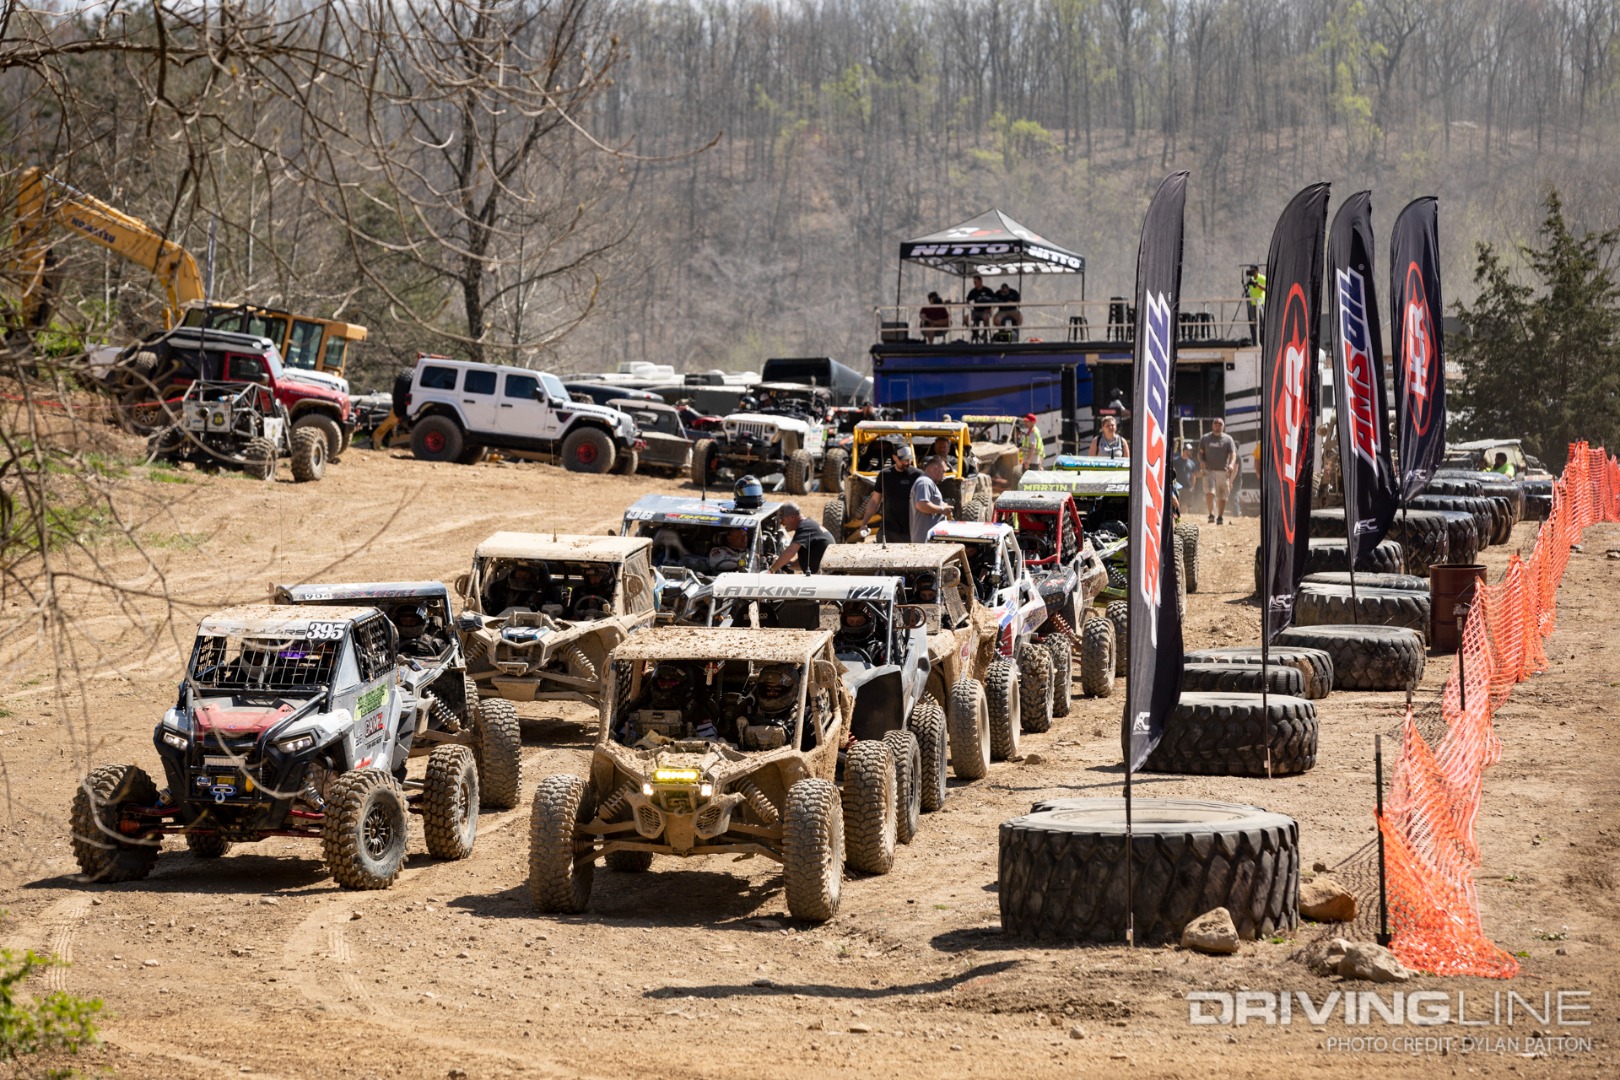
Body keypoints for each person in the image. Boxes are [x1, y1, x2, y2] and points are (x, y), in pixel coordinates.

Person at [770, 502, 833, 574]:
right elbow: (805, 562)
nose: (781, 523)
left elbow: (790, 552)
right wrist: (786, 564)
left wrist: (771, 570)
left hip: (824, 573)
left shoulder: (804, 528)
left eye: (782, 519)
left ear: (792, 517)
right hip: (826, 570)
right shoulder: (808, 525)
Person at [1198, 417, 1240, 525]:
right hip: (1209, 470)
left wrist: (1231, 464)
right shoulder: (1206, 438)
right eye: (1215, 424)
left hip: (1223, 470)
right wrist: (1201, 461)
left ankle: (1220, 516)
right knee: (1209, 492)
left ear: (1223, 426)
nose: (1217, 426)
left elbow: (1233, 454)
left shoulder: (1228, 439)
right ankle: (1211, 514)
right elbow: (1200, 453)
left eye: (1220, 424)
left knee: (1222, 496)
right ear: (1212, 426)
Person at [910, 454, 953, 543]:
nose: (944, 475)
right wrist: (942, 509)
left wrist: (943, 505)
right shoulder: (925, 482)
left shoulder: (927, 482)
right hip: (925, 540)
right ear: (936, 469)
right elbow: (921, 505)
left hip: (931, 540)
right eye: (944, 471)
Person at [966, 275, 996, 342]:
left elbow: (995, 301)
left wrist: (990, 309)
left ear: (980, 281)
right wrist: (970, 306)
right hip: (976, 311)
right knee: (965, 319)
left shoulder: (988, 291)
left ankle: (985, 333)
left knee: (986, 317)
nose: (974, 283)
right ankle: (975, 332)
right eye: (974, 282)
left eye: (976, 281)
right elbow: (968, 299)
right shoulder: (973, 291)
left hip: (986, 311)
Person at [1244, 265, 1267, 345]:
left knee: (1261, 324)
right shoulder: (1251, 279)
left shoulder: (1262, 278)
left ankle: (1262, 341)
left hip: (1260, 304)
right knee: (1254, 324)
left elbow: (1266, 288)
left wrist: (1256, 284)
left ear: (1257, 271)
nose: (1252, 273)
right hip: (1253, 304)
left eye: (1253, 271)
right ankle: (1255, 341)